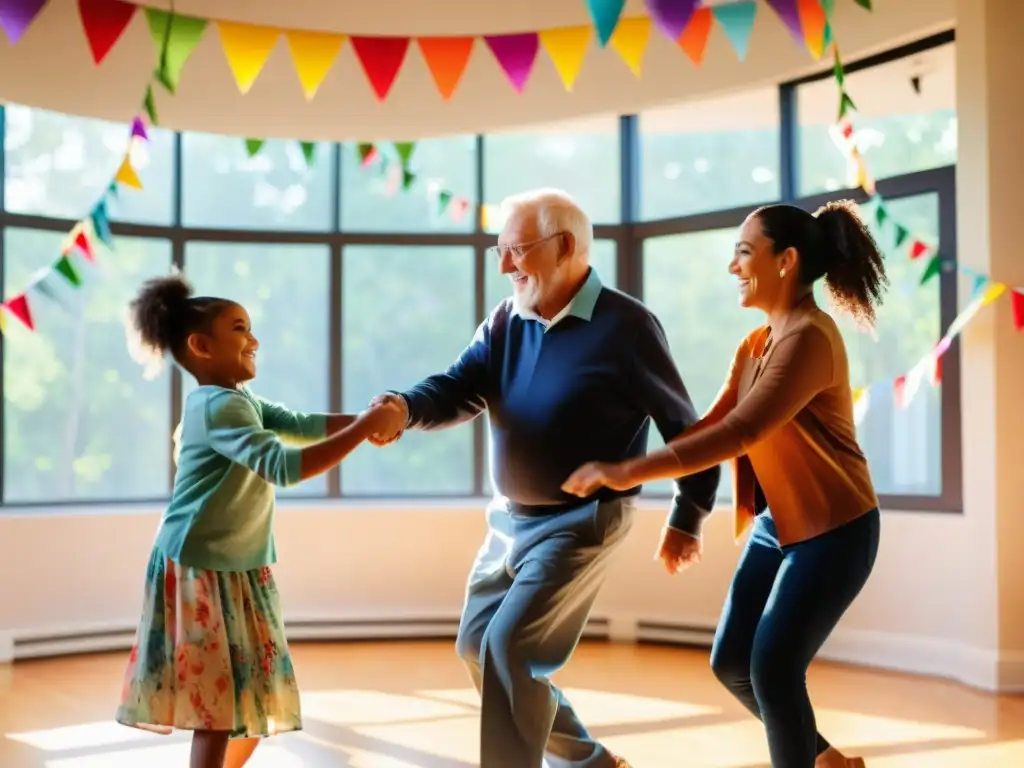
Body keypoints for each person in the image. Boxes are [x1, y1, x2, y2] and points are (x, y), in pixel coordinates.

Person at [367, 189, 720, 768]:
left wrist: (689, 516)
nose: (504, 266)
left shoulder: (628, 327)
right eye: (499, 250)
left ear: (564, 247)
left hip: (583, 520)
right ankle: (590, 763)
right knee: (479, 649)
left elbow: (687, 429)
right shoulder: (505, 320)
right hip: (508, 520)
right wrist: (404, 409)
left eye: (516, 250)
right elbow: (457, 388)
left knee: (510, 649)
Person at [562, 200, 885, 768]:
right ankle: (827, 762)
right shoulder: (755, 344)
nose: (732, 266)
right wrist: (685, 513)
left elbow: (740, 432)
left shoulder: (810, 338)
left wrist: (624, 473)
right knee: (733, 659)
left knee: (774, 667)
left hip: (836, 532)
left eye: (743, 253)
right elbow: (708, 427)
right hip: (777, 527)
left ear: (785, 261)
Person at [114, 274, 399, 768]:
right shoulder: (217, 407)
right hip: (198, 567)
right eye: (240, 329)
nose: (255, 339)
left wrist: (365, 419)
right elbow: (282, 466)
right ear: (201, 346)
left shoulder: (239, 399)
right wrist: (365, 429)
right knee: (219, 709)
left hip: (239, 564)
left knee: (253, 698)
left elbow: (301, 425)